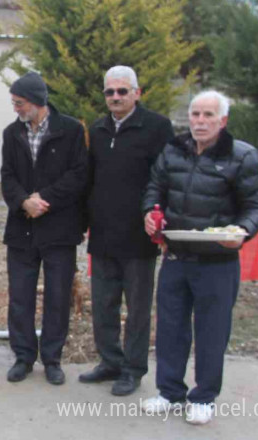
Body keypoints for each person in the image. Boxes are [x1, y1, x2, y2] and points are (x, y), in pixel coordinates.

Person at [140, 90, 258, 425]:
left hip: (217, 262)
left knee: (212, 331)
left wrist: (241, 231)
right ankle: (169, 392)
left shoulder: (242, 156)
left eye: (208, 115)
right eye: (195, 114)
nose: (199, 121)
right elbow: (155, 187)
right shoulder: (173, 149)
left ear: (222, 121)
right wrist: (150, 213)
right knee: (170, 328)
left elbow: (257, 205)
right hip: (175, 256)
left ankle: (204, 398)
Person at [80, 66, 175, 396]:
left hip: (139, 236)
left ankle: (133, 369)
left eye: (123, 91)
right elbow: (90, 180)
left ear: (137, 92)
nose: (116, 97)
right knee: (104, 304)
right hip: (103, 233)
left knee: (137, 308)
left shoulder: (158, 128)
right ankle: (110, 361)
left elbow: (165, 177)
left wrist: (159, 218)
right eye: (110, 92)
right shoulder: (98, 128)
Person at [0, 72, 88, 385]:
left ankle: (52, 358)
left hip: (59, 229)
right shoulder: (12, 134)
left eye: (20, 103)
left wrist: (45, 199)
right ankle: (23, 357)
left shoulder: (72, 131)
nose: (17, 109)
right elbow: (7, 176)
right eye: (14, 103)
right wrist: (24, 202)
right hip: (22, 229)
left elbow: (79, 175)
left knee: (57, 296)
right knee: (20, 296)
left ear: (38, 102)